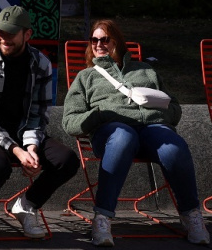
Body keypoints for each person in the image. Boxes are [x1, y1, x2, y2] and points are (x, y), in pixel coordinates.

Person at [62, 19, 210, 246]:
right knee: (124, 137)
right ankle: (102, 218)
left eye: (105, 39)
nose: (99, 44)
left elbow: (175, 108)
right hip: (111, 132)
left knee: (174, 147)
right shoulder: (86, 77)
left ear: (117, 42)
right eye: (94, 40)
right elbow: (70, 122)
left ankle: (191, 214)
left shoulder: (146, 70)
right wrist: (99, 114)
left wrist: (160, 115)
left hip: (152, 129)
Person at [0, 5, 79, 240]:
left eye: (11, 32)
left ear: (27, 34)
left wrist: (31, 147)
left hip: (22, 131)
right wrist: (17, 151)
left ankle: (26, 205)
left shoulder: (41, 64)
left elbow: (38, 114)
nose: (3, 38)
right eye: (0, 32)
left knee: (67, 160)